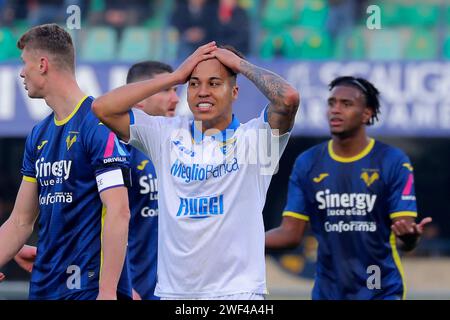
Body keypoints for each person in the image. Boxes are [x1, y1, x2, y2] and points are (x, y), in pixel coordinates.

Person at [92, 42, 300, 299]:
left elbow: (287, 99)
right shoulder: (164, 134)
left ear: (234, 92)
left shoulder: (256, 139)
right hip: (174, 294)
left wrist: (239, 65)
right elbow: (102, 108)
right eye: (193, 83)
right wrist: (176, 76)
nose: (202, 92)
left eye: (214, 83)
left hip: (237, 294)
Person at [265, 76, 432, 300]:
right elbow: (290, 234)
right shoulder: (308, 162)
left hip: (381, 290)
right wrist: (241, 240)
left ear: (367, 114)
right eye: (332, 103)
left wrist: (411, 237)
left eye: (346, 104)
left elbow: (405, 236)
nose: (335, 110)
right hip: (328, 292)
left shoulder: (392, 161)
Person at [0, 24, 132, 300]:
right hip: (45, 285)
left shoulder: (97, 123)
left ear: (43, 64)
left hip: (88, 288)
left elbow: (118, 210)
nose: (21, 72)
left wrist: (107, 292)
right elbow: (21, 221)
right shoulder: (38, 134)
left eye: (25, 63)